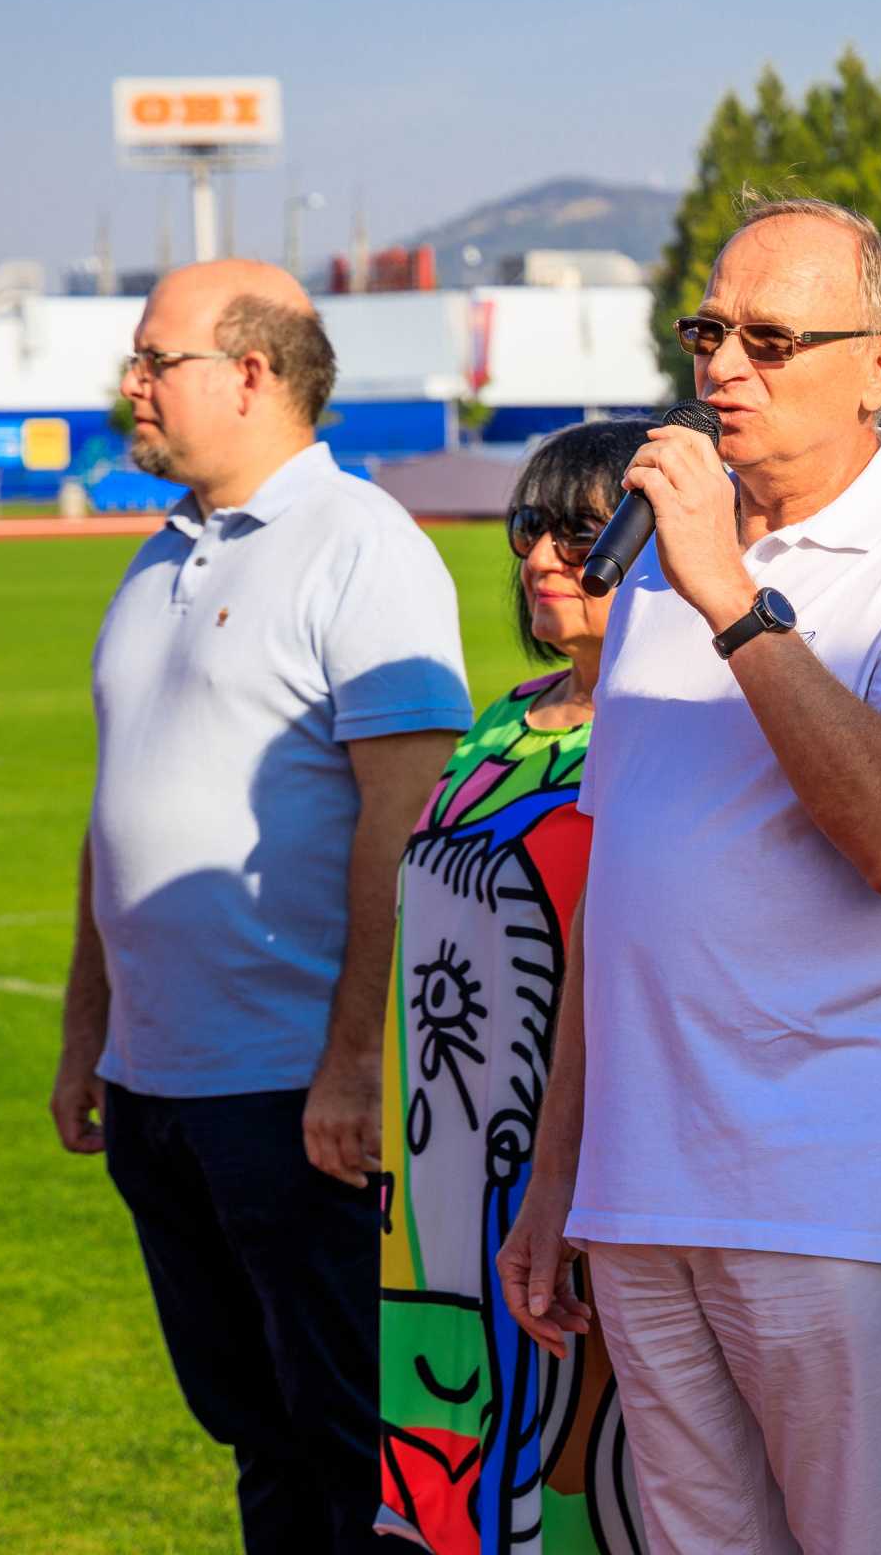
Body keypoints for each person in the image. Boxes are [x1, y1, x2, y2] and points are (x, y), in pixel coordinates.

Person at [493, 196, 881, 1554]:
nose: (722, 366)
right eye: (708, 332)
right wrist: (562, 1170)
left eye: (771, 338)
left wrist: (732, 597)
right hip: (644, 1191)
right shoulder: (657, 558)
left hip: (837, 1197)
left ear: (878, 365)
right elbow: (621, 889)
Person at [50, 259, 474, 1555]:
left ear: (251, 373)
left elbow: (407, 823)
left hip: (293, 1098)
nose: (130, 384)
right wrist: (86, 1033)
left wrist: (355, 1063)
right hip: (157, 1088)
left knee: (356, 1448)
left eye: (154, 359)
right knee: (257, 1432)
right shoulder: (153, 560)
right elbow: (114, 816)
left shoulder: (363, 548)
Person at [377, 419, 657, 1553]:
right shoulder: (501, 719)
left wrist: (566, 1169)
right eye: (529, 526)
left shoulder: (671, 731)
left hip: (573, 1160)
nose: (541, 554)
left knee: (577, 1464)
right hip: (439, 1161)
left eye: (580, 533)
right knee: (447, 1441)